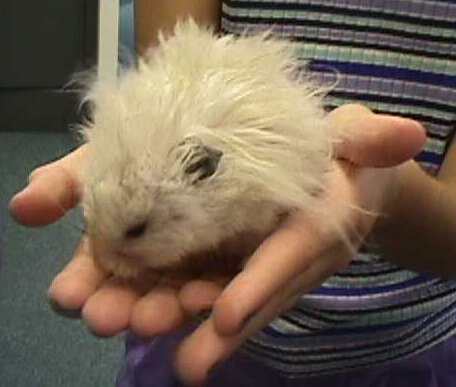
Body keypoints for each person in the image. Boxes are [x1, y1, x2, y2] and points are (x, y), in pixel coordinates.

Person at [9, 0, 456, 386]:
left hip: (406, 343)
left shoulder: (231, 179)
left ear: (206, 173)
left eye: (138, 228)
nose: (111, 260)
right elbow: (169, 64)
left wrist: (387, 193)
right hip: (198, 335)